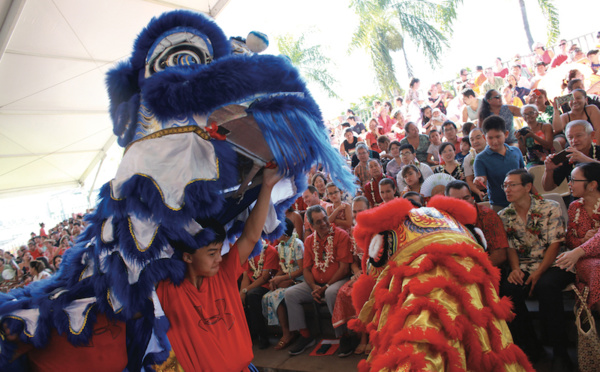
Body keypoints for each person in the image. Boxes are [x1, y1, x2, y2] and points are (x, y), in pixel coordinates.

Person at [155, 167, 282, 372]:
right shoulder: (166, 290)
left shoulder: (223, 272)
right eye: (212, 253)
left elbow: (250, 236)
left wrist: (267, 186)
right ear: (187, 256)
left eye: (218, 251)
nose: (218, 259)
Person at [498, 169, 574, 368]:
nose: (507, 189)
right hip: (523, 264)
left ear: (527, 187)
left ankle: (560, 350)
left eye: (512, 185)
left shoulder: (551, 207)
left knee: (546, 285)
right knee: (508, 289)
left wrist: (538, 273)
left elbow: (555, 244)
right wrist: (515, 269)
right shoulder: (504, 215)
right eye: (505, 185)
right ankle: (530, 348)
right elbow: (510, 246)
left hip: (555, 263)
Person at [285, 205, 352, 356]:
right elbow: (307, 269)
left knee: (330, 293)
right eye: (318, 222)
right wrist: (314, 286)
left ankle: (344, 336)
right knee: (290, 294)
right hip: (315, 284)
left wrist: (326, 286)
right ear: (311, 225)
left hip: (337, 281)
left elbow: (344, 269)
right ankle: (305, 335)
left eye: (324, 219)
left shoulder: (341, 235)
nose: (323, 224)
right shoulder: (309, 241)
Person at [557, 162, 600, 312]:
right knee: (597, 268)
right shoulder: (574, 207)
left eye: (574, 180)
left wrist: (579, 250)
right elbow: (569, 240)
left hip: (581, 256)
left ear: (592, 184)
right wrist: (582, 241)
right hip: (585, 262)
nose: (570, 184)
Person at [331, 196, 370, 357]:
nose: (357, 214)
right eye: (354, 211)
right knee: (343, 292)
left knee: (364, 292)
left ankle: (371, 337)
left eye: (361, 210)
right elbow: (353, 260)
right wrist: (356, 272)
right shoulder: (353, 231)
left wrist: (363, 276)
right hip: (360, 273)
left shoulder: (379, 230)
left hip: (376, 274)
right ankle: (359, 336)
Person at [261, 219, 305, 350]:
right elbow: (283, 267)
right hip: (288, 277)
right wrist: (275, 278)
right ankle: (287, 331)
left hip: (300, 279)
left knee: (276, 296)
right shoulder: (281, 246)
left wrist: (284, 278)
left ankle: (287, 334)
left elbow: (301, 269)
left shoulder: (296, 244)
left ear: (284, 232)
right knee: (267, 296)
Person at [445, 180, 507, 266]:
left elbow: (499, 255)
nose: (463, 203)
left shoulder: (488, 216)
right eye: (457, 200)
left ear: (472, 198)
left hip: (485, 268)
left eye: (466, 198)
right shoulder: (443, 220)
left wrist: (473, 270)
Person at [474, 115, 525, 210]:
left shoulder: (516, 151)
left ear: (506, 134)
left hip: (521, 200)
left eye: (498, 137)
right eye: (490, 138)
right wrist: (479, 181)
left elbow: (524, 175)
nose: (494, 141)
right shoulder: (480, 159)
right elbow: (482, 182)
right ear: (484, 138)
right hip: (499, 205)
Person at [239, 240, 279, 349]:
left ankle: (263, 336)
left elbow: (265, 277)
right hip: (253, 286)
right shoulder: (248, 252)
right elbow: (246, 277)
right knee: (240, 298)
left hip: (268, 285)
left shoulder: (269, 250)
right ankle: (249, 334)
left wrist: (245, 290)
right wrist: (241, 293)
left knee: (252, 295)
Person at [543, 120, 600, 192]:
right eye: (570, 137)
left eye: (579, 136)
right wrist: (549, 170)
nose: (574, 140)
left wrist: (586, 160)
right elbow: (548, 188)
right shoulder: (567, 157)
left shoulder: (598, 151)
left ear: (592, 135)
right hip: (578, 200)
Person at [464, 128, 488, 201]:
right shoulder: (468, 158)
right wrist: (478, 192)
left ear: (484, 137)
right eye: (472, 140)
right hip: (478, 191)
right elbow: (469, 180)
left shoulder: (493, 152)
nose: (475, 141)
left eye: (478, 138)